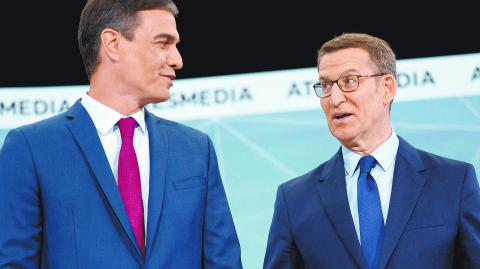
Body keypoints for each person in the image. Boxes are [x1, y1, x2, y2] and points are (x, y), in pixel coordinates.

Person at [0, 0, 242, 268]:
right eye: (163, 43)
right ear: (113, 43)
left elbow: (224, 262)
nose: (177, 60)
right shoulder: (31, 148)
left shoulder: (197, 150)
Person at [264, 33, 480, 269]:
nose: (335, 98)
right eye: (325, 85)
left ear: (387, 88)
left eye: (349, 81)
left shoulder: (453, 182)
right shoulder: (294, 200)